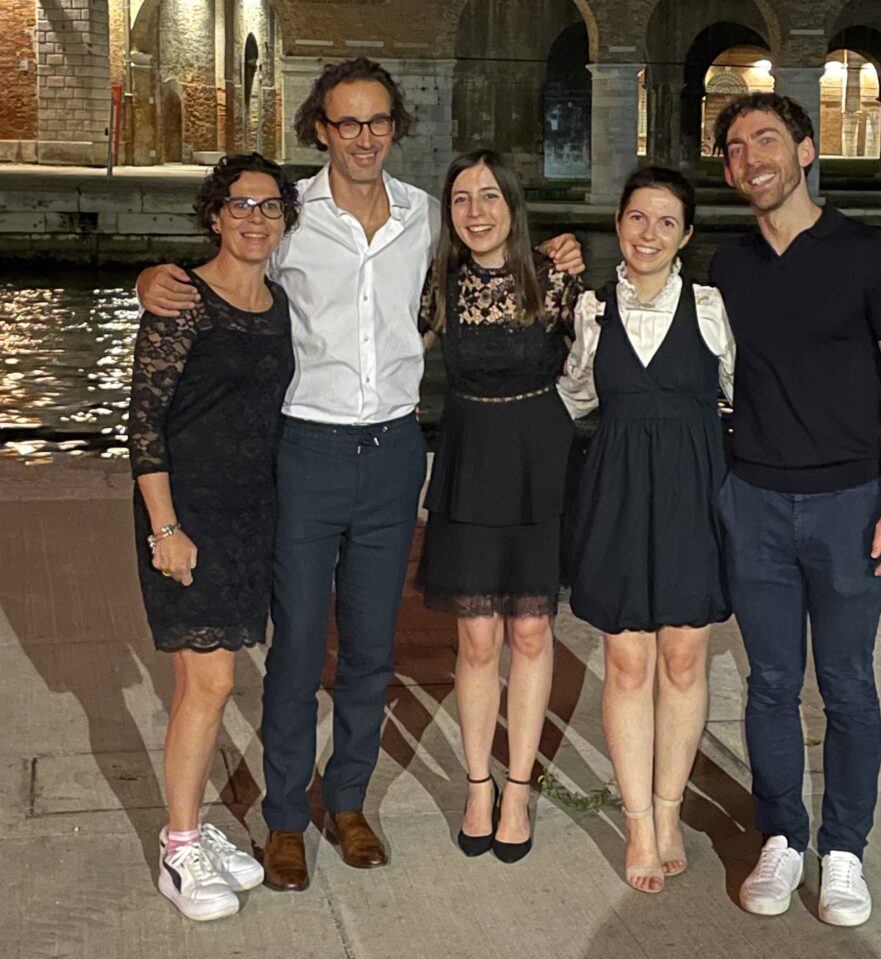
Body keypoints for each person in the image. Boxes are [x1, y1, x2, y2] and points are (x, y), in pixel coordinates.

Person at [136, 57, 583, 891]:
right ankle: (283, 817)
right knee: (300, 646)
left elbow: (492, 260)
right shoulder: (291, 217)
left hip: (392, 452)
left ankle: (347, 801)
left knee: (372, 649)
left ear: (394, 128)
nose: (364, 137)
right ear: (322, 130)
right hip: (306, 450)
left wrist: (559, 246)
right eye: (348, 122)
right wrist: (151, 277)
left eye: (378, 121)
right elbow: (229, 272)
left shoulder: (426, 216)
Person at [710, 92, 881, 926]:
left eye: (767, 138)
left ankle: (843, 850)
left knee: (846, 683)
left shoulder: (871, 256)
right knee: (770, 682)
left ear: (807, 151)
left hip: (847, 504)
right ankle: (782, 835)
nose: (751, 157)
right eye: (735, 147)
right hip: (753, 501)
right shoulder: (727, 267)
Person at [128, 153, 298, 920]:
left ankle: (193, 822)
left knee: (206, 679)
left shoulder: (277, 302)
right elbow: (144, 423)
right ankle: (180, 848)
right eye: (241, 205)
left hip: (250, 512)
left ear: (285, 219)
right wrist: (165, 526)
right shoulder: (181, 298)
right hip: (186, 513)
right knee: (211, 682)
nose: (255, 219)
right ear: (215, 214)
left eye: (270, 206)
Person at [558, 166, 734, 893]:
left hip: (693, 493)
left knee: (685, 662)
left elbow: (746, 392)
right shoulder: (592, 310)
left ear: (686, 235)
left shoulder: (713, 308)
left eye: (667, 221)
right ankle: (637, 823)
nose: (649, 233)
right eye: (637, 217)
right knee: (627, 664)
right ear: (618, 224)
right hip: (619, 494)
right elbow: (572, 396)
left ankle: (669, 812)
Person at [417, 149, 581, 863]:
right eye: (461, 198)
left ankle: (519, 788)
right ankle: (478, 785)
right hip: (469, 460)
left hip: (539, 461)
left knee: (533, 632)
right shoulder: (438, 286)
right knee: (478, 639)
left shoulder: (556, 278)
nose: (476, 211)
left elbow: (600, 360)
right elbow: (379, 349)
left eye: (490, 196)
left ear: (513, 205)